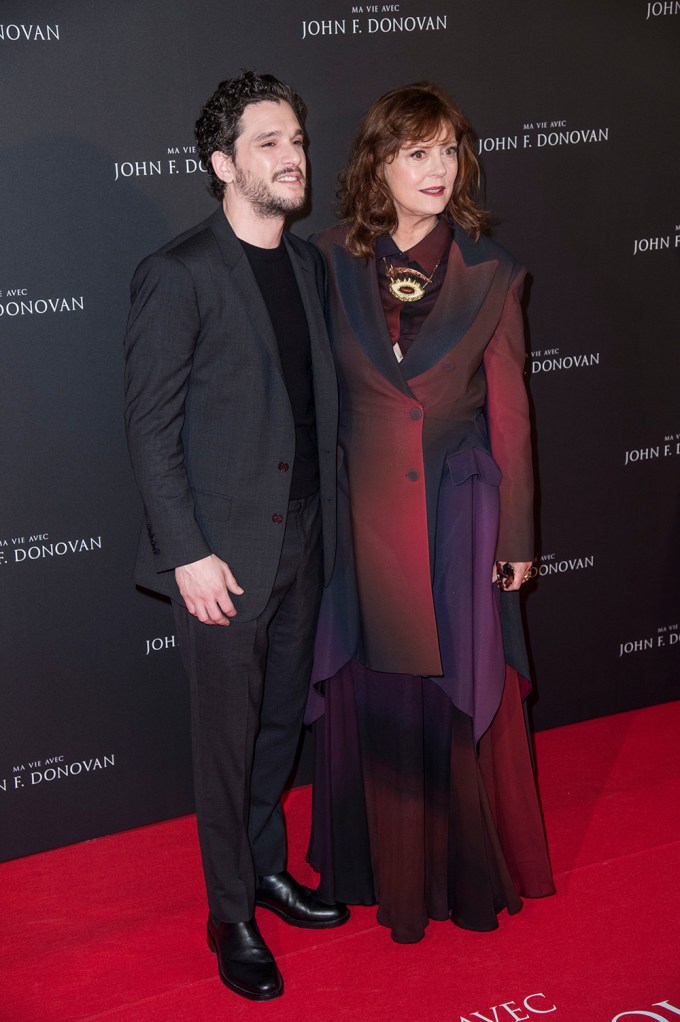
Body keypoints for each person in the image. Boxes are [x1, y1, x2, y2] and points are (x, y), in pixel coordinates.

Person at [305, 82, 555, 945]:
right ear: (378, 161)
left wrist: (516, 534)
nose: (439, 168)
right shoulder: (327, 259)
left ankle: (458, 874)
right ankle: (371, 868)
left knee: (455, 689)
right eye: (418, 152)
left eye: (449, 150)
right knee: (369, 685)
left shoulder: (493, 270)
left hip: (456, 517)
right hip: (361, 521)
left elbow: (511, 413)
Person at [123, 71, 348, 1003]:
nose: (293, 156)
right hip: (221, 556)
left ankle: (265, 870)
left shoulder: (307, 265)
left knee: (278, 725)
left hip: (305, 538)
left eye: (296, 138)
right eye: (269, 142)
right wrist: (187, 553)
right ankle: (230, 915)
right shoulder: (179, 273)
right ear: (223, 164)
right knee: (225, 743)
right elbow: (149, 430)